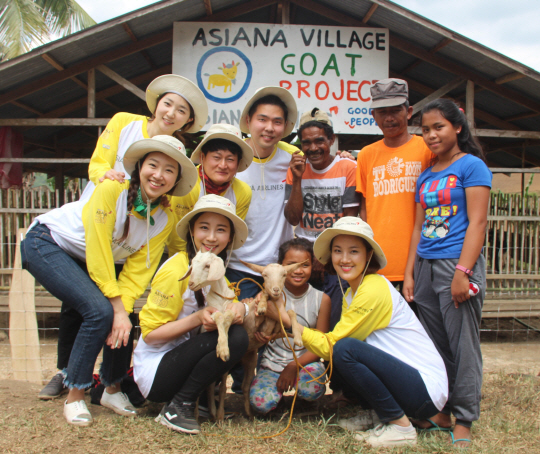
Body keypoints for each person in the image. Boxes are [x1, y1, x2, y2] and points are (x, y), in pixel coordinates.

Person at [38, 74, 208, 400]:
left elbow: (184, 202)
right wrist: (105, 177)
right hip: (94, 224)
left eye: (181, 110)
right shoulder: (125, 123)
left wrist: (180, 251)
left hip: (128, 239)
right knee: (79, 307)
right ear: (157, 104)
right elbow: (100, 161)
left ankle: (109, 380)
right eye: (168, 103)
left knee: (118, 309)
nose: (171, 112)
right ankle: (67, 375)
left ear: (188, 121)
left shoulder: (179, 156)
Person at [21, 135, 198, 426]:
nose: (159, 174)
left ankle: (112, 387)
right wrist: (115, 308)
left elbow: (137, 272)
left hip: (86, 258)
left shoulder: (163, 218)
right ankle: (75, 395)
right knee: (99, 311)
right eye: (153, 165)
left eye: (169, 170)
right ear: (139, 167)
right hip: (48, 243)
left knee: (123, 314)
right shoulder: (112, 189)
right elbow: (99, 249)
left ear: (177, 179)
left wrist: (122, 309)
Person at [293, 216, 448, 448]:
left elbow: (333, 346)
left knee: (344, 349)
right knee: (348, 350)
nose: (344, 259)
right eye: (337, 251)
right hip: (409, 385)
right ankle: (382, 415)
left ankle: (400, 427)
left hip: (424, 390)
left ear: (368, 256)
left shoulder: (373, 288)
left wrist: (291, 324)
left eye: (353, 251)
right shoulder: (351, 294)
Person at [403, 99, 492, 448]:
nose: (430, 135)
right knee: (437, 348)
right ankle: (442, 410)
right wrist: (410, 274)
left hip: (455, 264)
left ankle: (465, 418)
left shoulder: (472, 167)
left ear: (457, 127)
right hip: (425, 267)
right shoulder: (426, 174)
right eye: (425, 129)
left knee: (463, 345)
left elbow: (478, 222)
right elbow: (417, 227)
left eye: (438, 127)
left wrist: (463, 272)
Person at [133, 195, 250, 434]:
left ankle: (197, 400)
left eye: (221, 230)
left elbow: (232, 304)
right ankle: (179, 405)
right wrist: (196, 319)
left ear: (229, 237)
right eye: (204, 227)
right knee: (235, 337)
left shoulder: (215, 271)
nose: (211, 237)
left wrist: (241, 309)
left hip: (182, 360)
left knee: (234, 333)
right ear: (191, 231)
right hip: (157, 372)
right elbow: (151, 335)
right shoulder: (177, 269)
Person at [284, 107, 360, 329]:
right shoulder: (296, 169)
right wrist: (297, 180)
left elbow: (349, 221)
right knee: (304, 321)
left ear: (331, 139)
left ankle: (329, 361)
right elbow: (292, 217)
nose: (313, 148)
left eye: (319, 141)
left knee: (335, 321)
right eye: (306, 143)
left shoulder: (348, 167)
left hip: (335, 257)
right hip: (304, 257)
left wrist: (323, 256)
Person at [355, 78, 432, 292]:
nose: (389, 118)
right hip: (379, 265)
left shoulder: (427, 150)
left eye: (395, 110)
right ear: (373, 116)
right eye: (382, 112)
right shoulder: (367, 155)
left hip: (420, 261)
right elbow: (364, 208)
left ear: (408, 112)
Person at [225, 86, 299, 299]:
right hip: (239, 265)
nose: (269, 128)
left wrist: (344, 158)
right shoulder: (231, 158)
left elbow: (324, 168)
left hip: (279, 268)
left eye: (277, 122)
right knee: (240, 326)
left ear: (285, 126)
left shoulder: (292, 157)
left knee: (277, 329)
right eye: (262, 119)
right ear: (249, 121)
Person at [249, 238, 331, 414]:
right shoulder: (267, 296)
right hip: (272, 363)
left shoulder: (321, 299)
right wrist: (261, 337)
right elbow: (256, 327)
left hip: (305, 363)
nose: (298, 271)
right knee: (260, 403)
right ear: (280, 266)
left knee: (312, 387)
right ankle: (278, 403)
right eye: (291, 264)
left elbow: (321, 345)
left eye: (304, 265)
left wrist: (294, 365)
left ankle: (305, 400)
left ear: (312, 266)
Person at [167, 123, 253, 256]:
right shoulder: (187, 186)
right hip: (178, 255)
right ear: (202, 157)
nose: (223, 165)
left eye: (230, 159)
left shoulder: (243, 192)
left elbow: (229, 236)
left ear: (238, 162)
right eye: (216, 157)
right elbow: (177, 237)